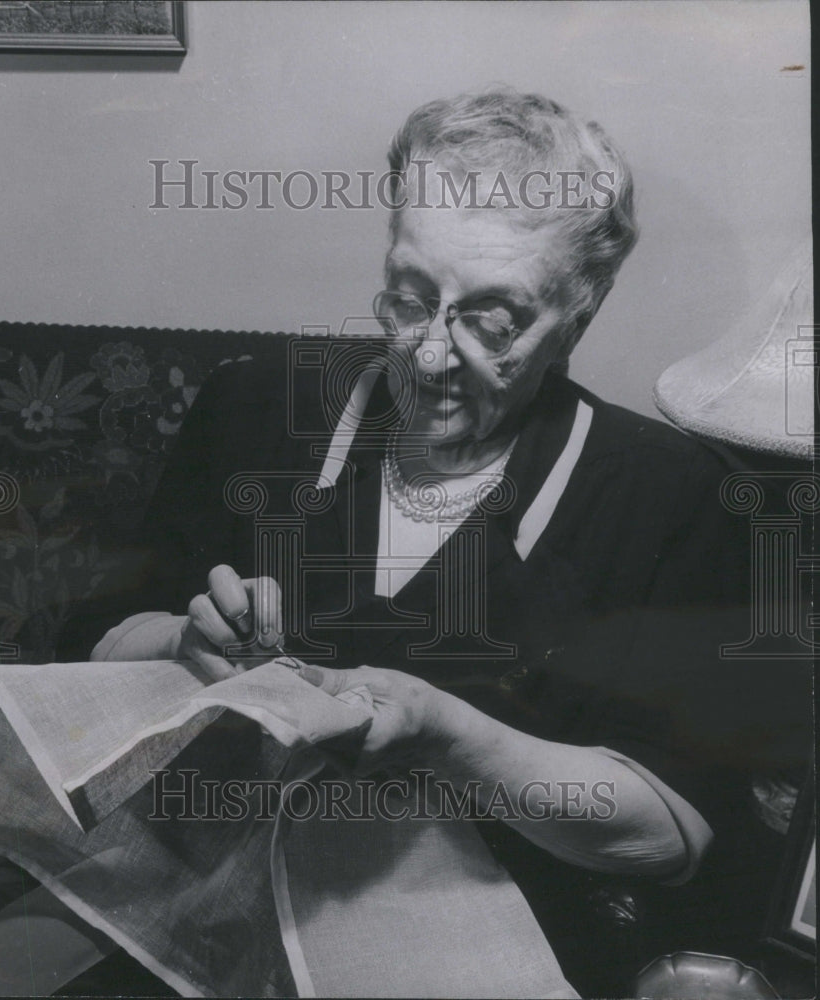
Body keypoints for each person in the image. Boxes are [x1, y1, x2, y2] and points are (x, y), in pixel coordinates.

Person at [77, 87, 765, 994]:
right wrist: (181, 644)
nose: (428, 355)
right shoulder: (254, 409)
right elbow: (89, 652)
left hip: (482, 943)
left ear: (582, 315)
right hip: (202, 891)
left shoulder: (671, 495)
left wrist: (447, 734)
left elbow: (670, 835)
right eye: (409, 298)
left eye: (493, 318)